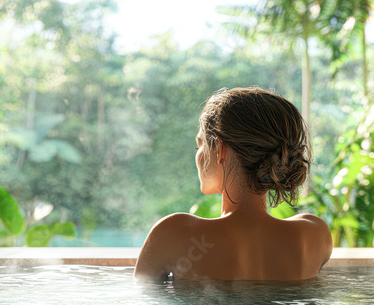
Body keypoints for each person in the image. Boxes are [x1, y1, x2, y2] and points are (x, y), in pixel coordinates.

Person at [134, 87, 333, 281]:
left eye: (199, 145)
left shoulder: (174, 233)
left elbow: (142, 304)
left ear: (221, 149)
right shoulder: (315, 236)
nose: (197, 155)